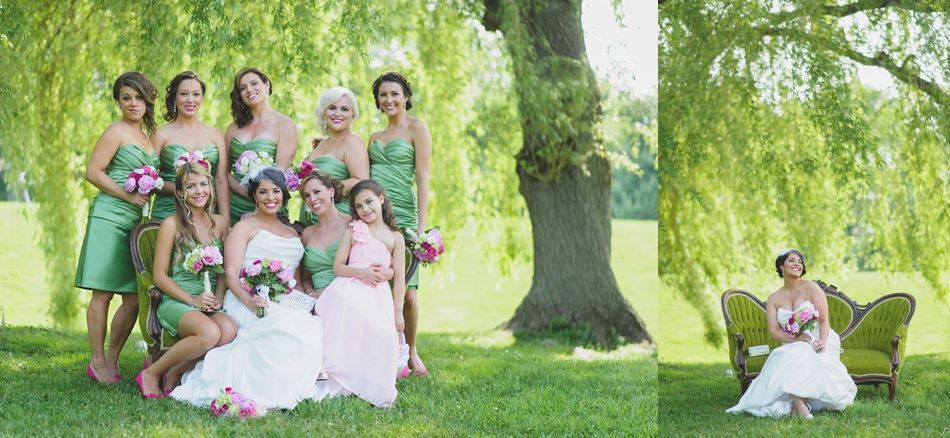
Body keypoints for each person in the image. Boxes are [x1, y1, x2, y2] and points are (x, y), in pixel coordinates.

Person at [170, 166, 324, 410]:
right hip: (245, 297)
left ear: (284, 194)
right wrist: (250, 300)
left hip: (283, 299)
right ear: (254, 196)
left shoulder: (293, 233)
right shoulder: (244, 228)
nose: (270, 197)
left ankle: (291, 384)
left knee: (309, 325)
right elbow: (230, 275)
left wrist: (304, 302)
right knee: (282, 328)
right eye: (263, 192)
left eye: (276, 191)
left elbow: (293, 280)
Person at [75, 71, 159, 384]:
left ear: (148, 99)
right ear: (118, 101)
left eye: (138, 97)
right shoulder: (116, 131)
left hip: (135, 222)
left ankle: (112, 358)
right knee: (103, 293)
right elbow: (93, 172)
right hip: (109, 216)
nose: (133, 103)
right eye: (126, 98)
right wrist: (127, 194)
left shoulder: (149, 137)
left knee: (133, 297)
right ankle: (97, 361)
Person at [136, 162, 236, 398]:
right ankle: (151, 373)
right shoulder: (172, 225)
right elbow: (159, 275)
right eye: (190, 186)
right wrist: (193, 300)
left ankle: (176, 371)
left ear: (210, 188)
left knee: (229, 331)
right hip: (178, 300)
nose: (198, 191)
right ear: (180, 193)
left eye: (203, 184)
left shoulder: (221, 224)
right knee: (210, 333)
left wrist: (218, 298)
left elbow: (223, 270)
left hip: (208, 301)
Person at [726, 249, 857, 418]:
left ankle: (798, 405)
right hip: (792, 342)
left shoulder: (811, 287)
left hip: (819, 338)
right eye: (792, 261)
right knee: (792, 352)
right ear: (781, 267)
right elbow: (774, 331)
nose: (797, 264)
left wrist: (822, 342)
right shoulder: (774, 298)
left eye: (800, 262)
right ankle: (799, 404)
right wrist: (794, 338)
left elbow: (824, 320)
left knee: (802, 352)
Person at [314, 179, 406, 407]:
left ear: (381, 199)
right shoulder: (354, 229)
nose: (365, 209)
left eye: (369, 202)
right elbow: (338, 267)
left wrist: (398, 311)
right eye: (359, 206)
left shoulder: (395, 237)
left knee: (383, 335)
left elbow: (400, 276)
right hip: (349, 286)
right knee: (348, 307)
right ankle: (340, 374)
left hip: (378, 295)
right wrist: (362, 272)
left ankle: (368, 380)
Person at [368, 71, 432, 375]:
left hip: (404, 217)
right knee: (378, 286)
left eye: (394, 93)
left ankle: (412, 350)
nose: (389, 99)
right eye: (383, 95)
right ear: (378, 101)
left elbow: (423, 178)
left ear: (406, 96)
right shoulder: (373, 139)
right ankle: (385, 350)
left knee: (408, 292)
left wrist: (421, 228)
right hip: (375, 220)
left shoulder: (417, 129)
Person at [151, 71, 230, 221]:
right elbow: (149, 179)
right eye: (184, 94)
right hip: (168, 212)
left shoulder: (215, 134)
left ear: (202, 98)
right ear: (174, 97)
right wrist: (184, 189)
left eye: (196, 94)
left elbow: (221, 180)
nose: (190, 100)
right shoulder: (161, 134)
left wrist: (225, 220)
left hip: (207, 214)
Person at [225, 67, 297, 224]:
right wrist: (243, 191)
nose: (249, 90)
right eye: (242, 88)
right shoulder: (233, 128)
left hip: (269, 207)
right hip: (234, 207)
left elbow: (279, 174)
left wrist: (258, 199)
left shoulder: (285, 125)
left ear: (267, 85)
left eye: (254, 83)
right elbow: (223, 172)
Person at [297, 87, 369, 227]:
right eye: (332, 108)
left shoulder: (352, 142)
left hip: (336, 222)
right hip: (310, 221)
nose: (337, 113)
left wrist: (327, 190)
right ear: (324, 112)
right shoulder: (321, 143)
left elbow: (361, 181)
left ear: (353, 115)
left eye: (344, 109)